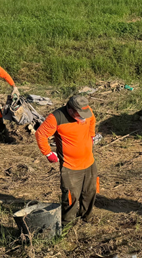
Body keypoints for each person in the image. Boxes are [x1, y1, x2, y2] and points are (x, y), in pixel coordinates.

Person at [35, 95, 99, 224]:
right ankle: (67, 222)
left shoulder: (86, 110)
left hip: (89, 161)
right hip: (70, 166)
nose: (83, 118)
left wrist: (91, 135)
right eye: (79, 115)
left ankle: (86, 216)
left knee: (90, 192)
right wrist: (48, 153)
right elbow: (40, 134)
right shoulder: (56, 118)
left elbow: (92, 120)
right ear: (70, 110)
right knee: (71, 196)